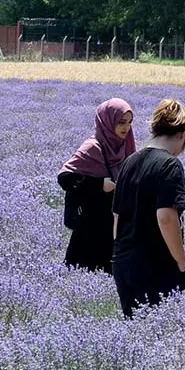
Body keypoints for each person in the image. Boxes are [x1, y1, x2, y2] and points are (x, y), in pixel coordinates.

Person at [112, 99, 185, 318]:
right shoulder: (170, 165)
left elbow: (117, 217)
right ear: (182, 135)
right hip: (155, 265)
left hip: (124, 262)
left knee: (136, 333)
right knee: (160, 336)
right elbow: (166, 217)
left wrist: (120, 257)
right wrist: (182, 262)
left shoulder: (130, 161)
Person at [58, 98, 136, 273]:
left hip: (117, 228)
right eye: (121, 122)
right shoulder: (92, 147)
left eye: (129, 123)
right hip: (90, 230)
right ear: (107, 121)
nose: (126, 128)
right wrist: (99, 185)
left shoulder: (126, 146)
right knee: (81, 276)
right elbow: (65, 178)